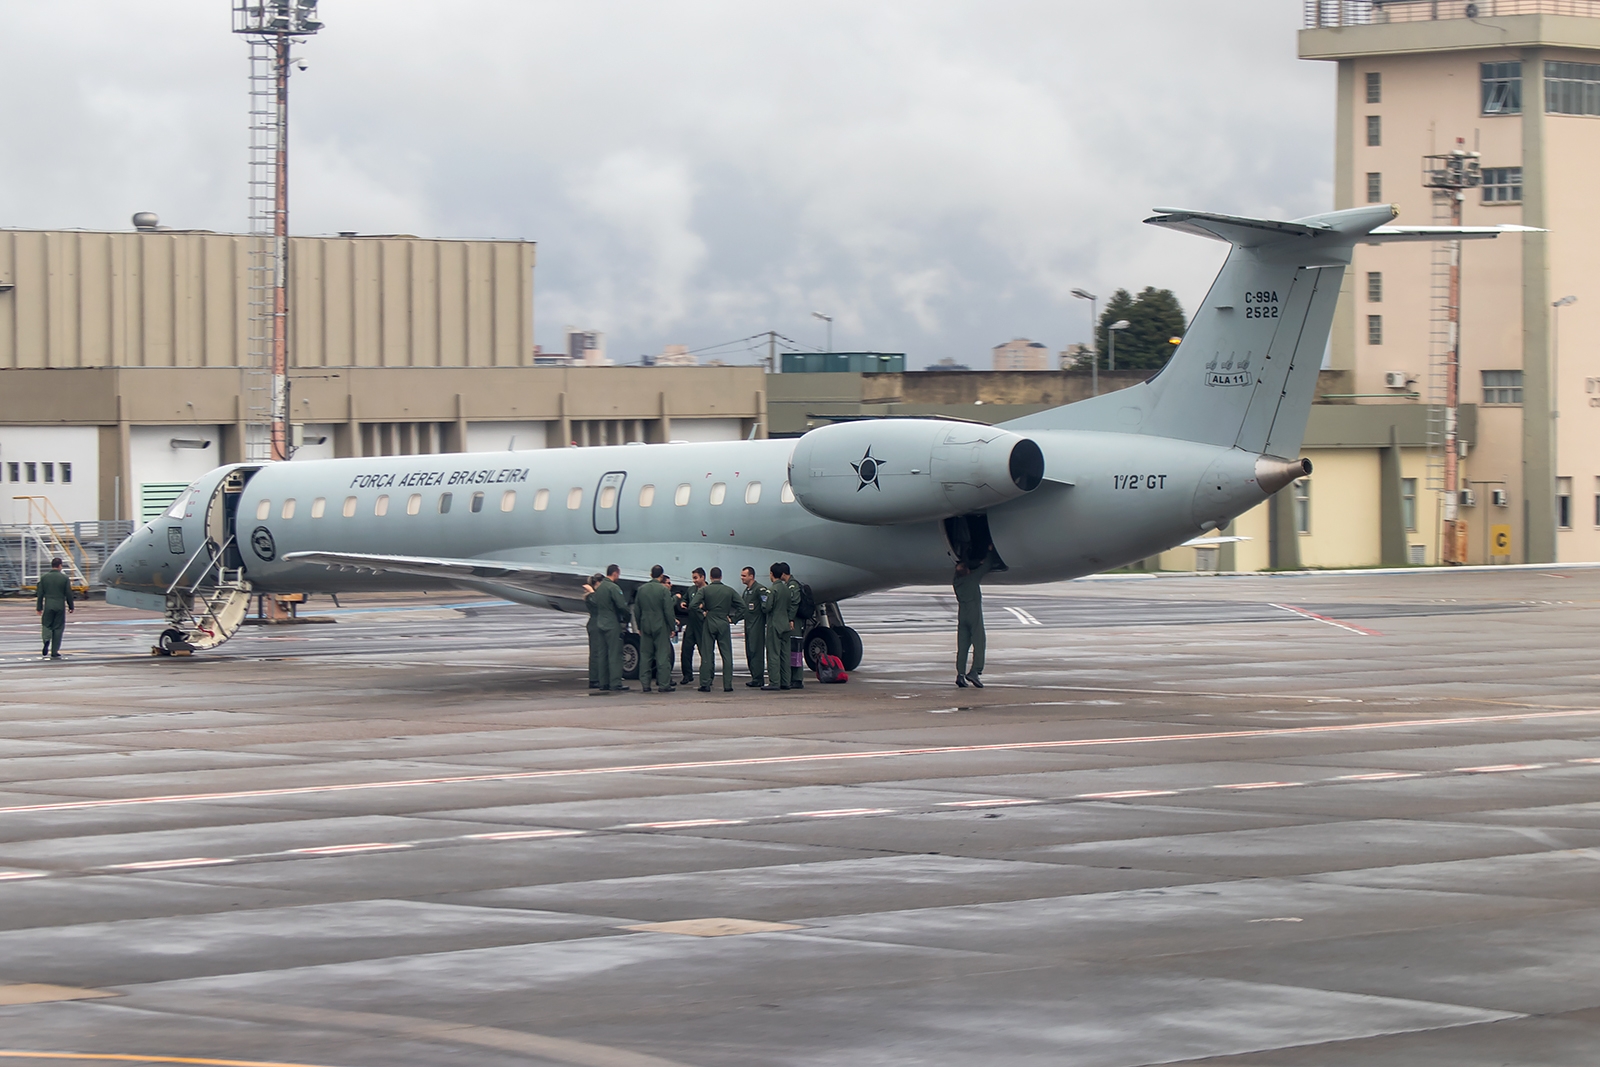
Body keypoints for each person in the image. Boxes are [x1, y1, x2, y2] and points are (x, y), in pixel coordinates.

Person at [953, 547, 1001, 688]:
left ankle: (960, 674)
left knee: (962, 647)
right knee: (979, 643)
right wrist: (990, 551)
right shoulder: (972, 579)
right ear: (968, 571)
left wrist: (968, 561)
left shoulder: (956, 582)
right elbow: (986, 566)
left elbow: (962, 570)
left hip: (962, 615)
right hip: (974, 614)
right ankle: (975, 671)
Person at [690, 566, 739, 692]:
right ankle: (727, 685)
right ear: (721, 577)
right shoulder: (729, 590)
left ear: (710, 577)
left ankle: (705, 684)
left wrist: (702, 614)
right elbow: (743, 607)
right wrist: (733, 619)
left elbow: (693, 605)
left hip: (710, 621)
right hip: (723, 621)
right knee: (727, 655)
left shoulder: (705, 590)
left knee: (706, 653)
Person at [584, 565, 631, 693]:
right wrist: (627, 617)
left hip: (600, 624)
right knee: (615, 654)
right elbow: (621, 605)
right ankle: (615, 683)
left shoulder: (599, 589)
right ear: (615, 573)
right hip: (611, 624)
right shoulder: (613, 587)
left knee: (602, 654)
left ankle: (603, 683)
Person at [633, 564, 677, 693]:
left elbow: (637, 610)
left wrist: (639, 627)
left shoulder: (642, 589)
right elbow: (668, 611)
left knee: (646, 655)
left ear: (651, 574)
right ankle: (663, 684)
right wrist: (672, 627)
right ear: (661, 575)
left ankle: (645, 685)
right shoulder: (663, 590)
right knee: (662, 655)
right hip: (660, 625)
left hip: (646, 624)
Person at [762, 562, 795, 690]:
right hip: (785, 623)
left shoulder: (772, 590)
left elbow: (767, 607)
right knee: (785, 654)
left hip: (774, 623)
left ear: (771, 574)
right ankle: (786, 681)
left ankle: (774, 682)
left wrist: (763, 604)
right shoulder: (787, 588)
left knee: (773, 653)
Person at [36, 557, 74, 660]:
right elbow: (68, 594)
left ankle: (46, 639)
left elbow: (40, 594)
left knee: (46, 624)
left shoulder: (44, 577)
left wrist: (39, 607)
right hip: (60, 605)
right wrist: (71, 606)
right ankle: (54, 651)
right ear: (60, 566)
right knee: (58, 628)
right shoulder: (64, 578)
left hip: (48, 604)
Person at [739, 566, 767, 688]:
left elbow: (766, 606)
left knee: (756, 651)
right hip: (748, 625)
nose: (742, 578)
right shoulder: (747, 591)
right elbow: (743, 609)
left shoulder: (759, 590)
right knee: (750, 651)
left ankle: (758, 678)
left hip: (757, 625)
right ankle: (754, 676)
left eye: (744, 576)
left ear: (751, 576)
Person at [679, 567, 707, 684]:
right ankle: (687, 675)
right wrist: (683, 602)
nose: (694, 581)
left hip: (703, 624)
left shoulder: (709, 590)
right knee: (686, 650)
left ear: (702, 577)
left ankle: (707, 675)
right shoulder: (691, 590)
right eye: (693, 578)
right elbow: (685, 598)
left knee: (705, 651)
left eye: (696, 578)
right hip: (691, 623)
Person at [782, 562, 807, 690]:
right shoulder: (788, 585)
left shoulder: (793, 585)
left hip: (795, 621)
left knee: (795, 648)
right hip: (792, 619)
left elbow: (794, 602)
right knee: (791, 648)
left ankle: (797, 678)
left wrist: (790, 618)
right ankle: (792, 677)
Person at [583, 572, 604, 689]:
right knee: (595, 653)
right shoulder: (591, 596)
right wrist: (591, 591)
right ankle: (594, 679)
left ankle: (599, 677)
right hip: (595, 624)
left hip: (598, 623)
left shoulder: (594, 595)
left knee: (600, 652)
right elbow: (598, 603)